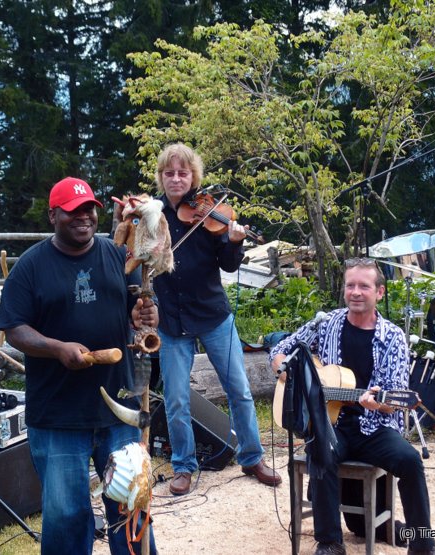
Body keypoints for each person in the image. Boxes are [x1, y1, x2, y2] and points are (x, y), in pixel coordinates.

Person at [0, 177, 157, 555]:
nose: (84, 217)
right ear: (53, 215)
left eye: (89, 210)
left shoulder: (119, 255)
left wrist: (147, 315)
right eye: (73, 211)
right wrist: (56, 348)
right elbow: (14, 329)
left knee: (131, 503)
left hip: (120, 408)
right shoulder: (31, 267)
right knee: (67, 514)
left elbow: (144, 312)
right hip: (58, 414)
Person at [270, 257, 435, 555]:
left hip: (375, 427)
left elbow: (395, 401)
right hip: (332, 424)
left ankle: (423, 544)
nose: (356, 292)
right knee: (320, 447)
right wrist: (294, 379)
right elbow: (280, 352)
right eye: (350, 285)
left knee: (411, 462)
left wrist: (378, 403)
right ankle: (330, 543)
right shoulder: (327, 323)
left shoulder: (393, 338)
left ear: (380, 293)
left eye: (364, 286)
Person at [151, 143, 281, 496]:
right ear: (161, 177)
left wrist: (235, 242)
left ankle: (252, 457)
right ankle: (183, 466)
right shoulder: (152, 215)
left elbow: (227, 264)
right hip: (172, 320)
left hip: (212, 315)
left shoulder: (209, 212)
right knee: (176, 397)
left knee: (238, 390)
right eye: (170, 172)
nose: (177, 178)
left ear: (193, 176)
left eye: (183, 172)